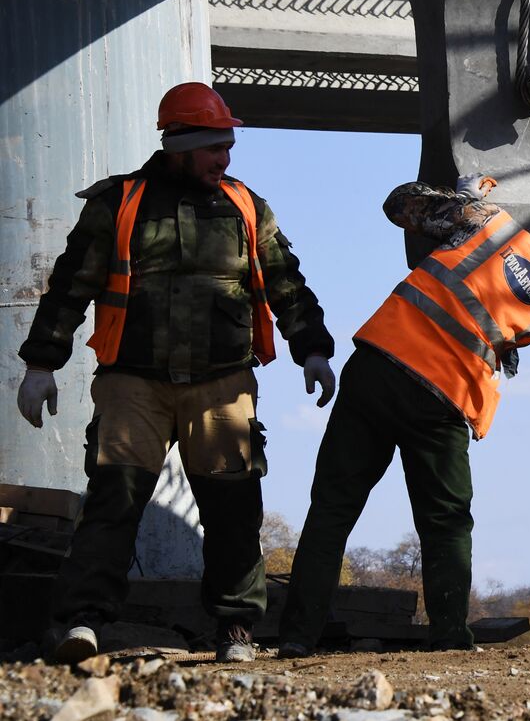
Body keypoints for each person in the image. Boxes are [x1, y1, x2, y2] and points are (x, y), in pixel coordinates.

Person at [15, 82, 336, 664]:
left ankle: (237, 630)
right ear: (180, 145)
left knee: (235, 510)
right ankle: (80, 623)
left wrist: (312, 348)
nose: (225, 159)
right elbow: (69, 287)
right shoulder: (118, 203)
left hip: (222, 383)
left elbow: (287, 282)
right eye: (214, 147)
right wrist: (41, 363)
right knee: (113, 502)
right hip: (132, 383)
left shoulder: (246, 207)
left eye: (228, 146)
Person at [276, 176, 530, 655]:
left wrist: (464, 200)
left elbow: (398, 203)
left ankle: (296, 638)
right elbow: (503, 319)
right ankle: (449, 637)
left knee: (332, 510)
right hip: (440, 400)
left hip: (378, 364)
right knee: (446, 524)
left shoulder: (489, 221)